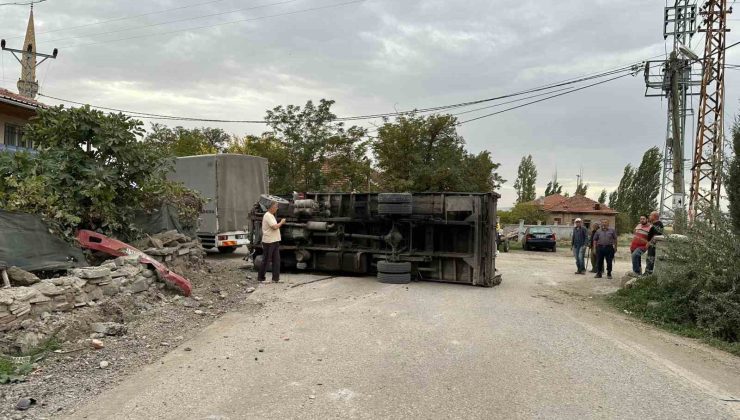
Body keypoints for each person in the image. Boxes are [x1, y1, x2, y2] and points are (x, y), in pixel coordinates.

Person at [258, 201, 286, 283]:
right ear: (271, 207)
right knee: (266, 260)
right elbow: (274, 227)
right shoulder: (267, 215)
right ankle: (261, 278)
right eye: (276, 206)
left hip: (274, 241)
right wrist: (281, 222)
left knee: (276, 260)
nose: (277, 208)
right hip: (269, 241)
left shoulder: (271, 215)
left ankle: (275, 278)